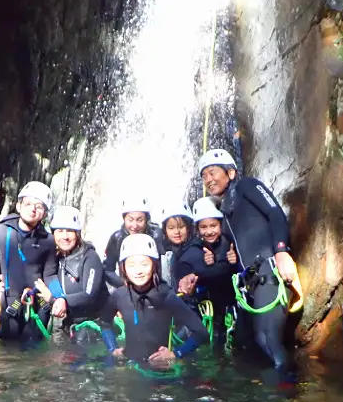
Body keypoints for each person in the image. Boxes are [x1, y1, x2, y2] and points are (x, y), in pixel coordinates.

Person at [197, 148, 298, 370]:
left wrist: (281, 252)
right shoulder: (224, 209)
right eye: (204, 176)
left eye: (213, 172)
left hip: (270, 269)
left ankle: (288, 396)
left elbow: (275, 214)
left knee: (267, 340)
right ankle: (262, 397)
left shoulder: (247, 186)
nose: (208, 179)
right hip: (251, 277)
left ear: (231, 173)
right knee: (245, 345)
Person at [0, 181, 62, 341]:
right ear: (19, 206)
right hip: (11, 301)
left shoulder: (48, 241)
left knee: (35, 351)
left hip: (38, 303)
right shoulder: (1, 232)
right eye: (28, 204)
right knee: (7, 351)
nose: (33, 209)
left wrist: (59, 297)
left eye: (39, 207)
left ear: (45, 214)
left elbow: (51, 275)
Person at [100, 234, 208, 368]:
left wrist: (175, 354)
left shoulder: (165, 295)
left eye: (144, 264)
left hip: (159, 369)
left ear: (154, 265)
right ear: (123, 268)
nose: (138, 271)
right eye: (131, 265)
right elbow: (104, 322)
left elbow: (201, 332)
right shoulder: (119, 296)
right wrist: (112, 348)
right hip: (130, 365)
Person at [35, 206, 108, 341]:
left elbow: (89, 295)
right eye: (60, 231)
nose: (65, 236)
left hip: (95, 325)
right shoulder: (55, 259)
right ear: (53, 234)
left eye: (70, 231)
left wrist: (57, 300)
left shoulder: (90, 257)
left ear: (78, 233)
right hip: (70, 325)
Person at [175, 196, 238, 349]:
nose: (209, 231)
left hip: (229, 303)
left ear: (220, 224)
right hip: (207, 306)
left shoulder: (228, 242)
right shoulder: (196, 247)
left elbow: (223, 271)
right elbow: (184, 264)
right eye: (203, 227)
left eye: (213, 226)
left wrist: (230, 262)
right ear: (197, 229)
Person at [102, 195, 165, 286]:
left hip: (155, 289)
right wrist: (123, 285)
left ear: (147, 219)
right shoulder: (117, 238)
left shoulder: (156, 234)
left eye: (140, 220)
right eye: (130, 220)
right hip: (127, 291)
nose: (135, 226)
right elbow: (107, 270)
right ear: (124, 219)